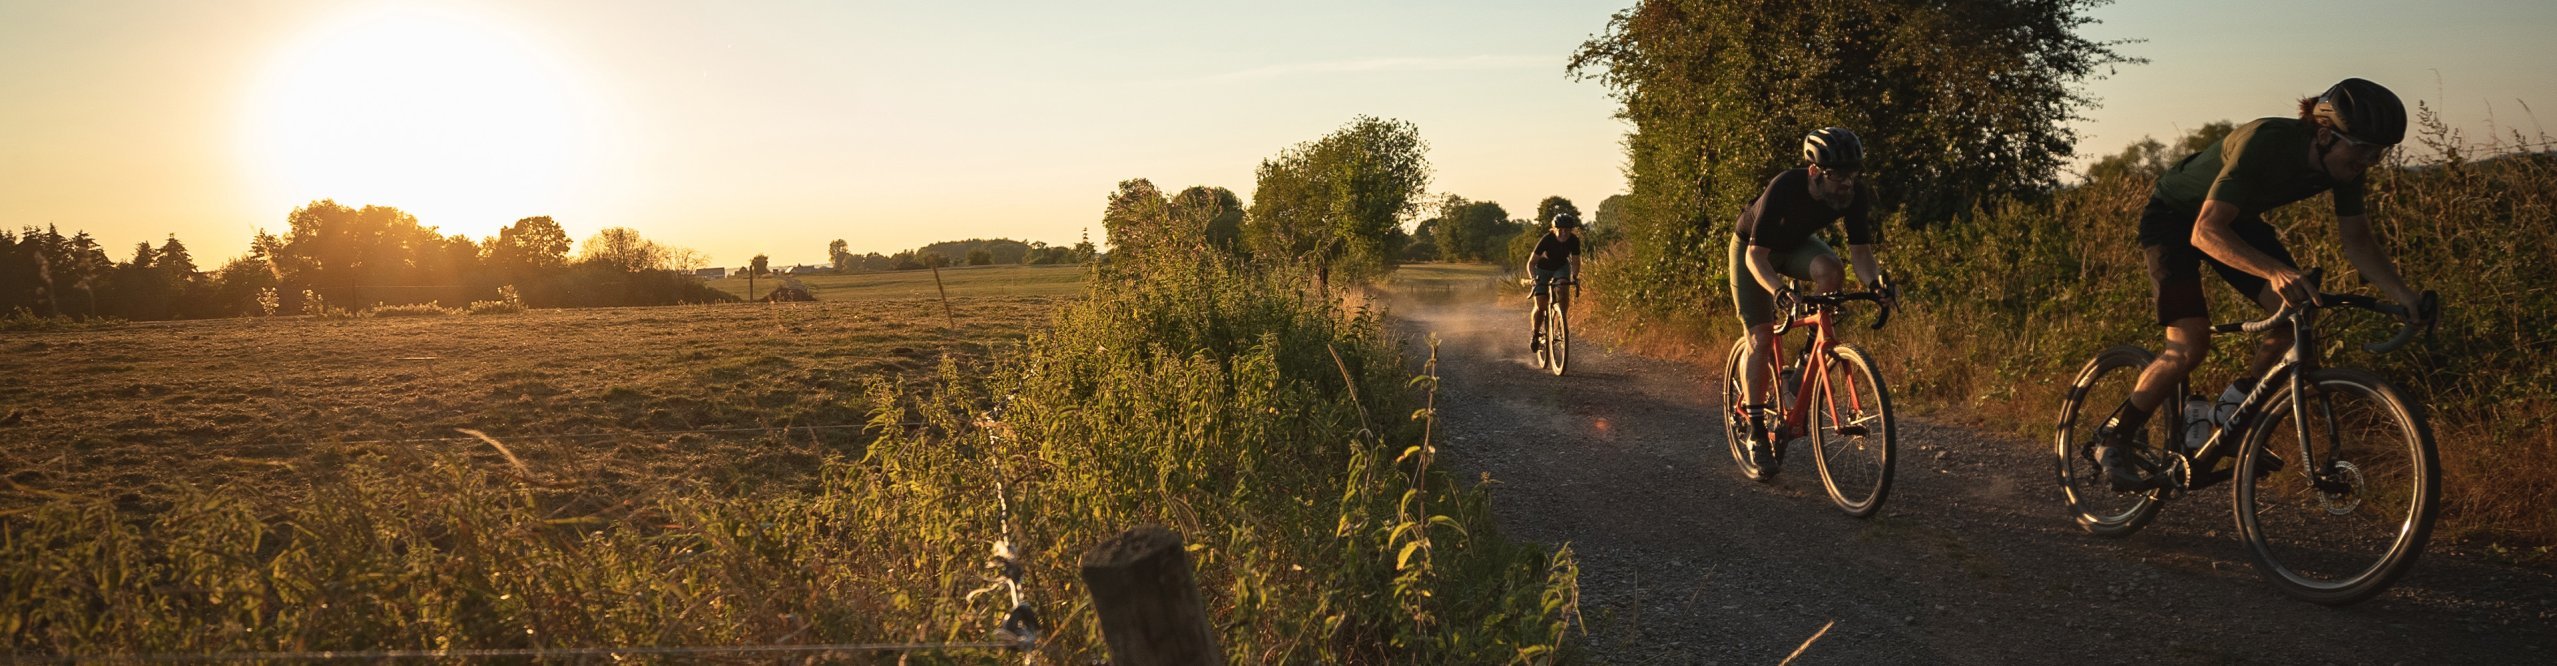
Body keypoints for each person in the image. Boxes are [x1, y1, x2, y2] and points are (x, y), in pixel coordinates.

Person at [2091, 78, 2432, 491]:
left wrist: (2403, 295)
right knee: (2190, 344)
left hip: (2236, 220)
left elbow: (2357, 240)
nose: (2370, 161)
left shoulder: (2344, 166)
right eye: (2362, 148)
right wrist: (2273, 270)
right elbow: (2204, 232)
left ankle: (2226, 420)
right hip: (2176, 218)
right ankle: (2114, 436)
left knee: (2293, 321)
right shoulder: (2265, 141)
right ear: (2325, 135)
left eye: (2380, 152)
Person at [1730, 127, 1892, 468]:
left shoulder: (1853, 194)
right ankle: (1756, 430)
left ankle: (1805, 363)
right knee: (1760, 336)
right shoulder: (1785, 186)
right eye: (1837, 176)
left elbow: (1860, 255)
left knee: (1832, 270)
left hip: (1795, 246)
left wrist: (1877, 284)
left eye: (1852, 175)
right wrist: (1779, 292)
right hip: (1753, 250)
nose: (1846, 184)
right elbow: (1756, 257)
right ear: (1815, 171)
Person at [1526, 212, 1584, 353]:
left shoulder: (1574, 240)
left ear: (1571, 230)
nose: (1564, 232)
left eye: (1567, 230)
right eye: (1561, 229)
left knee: (1563, 286)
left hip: (1560, 267)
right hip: (1542, 269)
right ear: (1554, 229)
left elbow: (1576, 262)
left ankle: (1562, 321)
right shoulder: (1547, 240)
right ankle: (1535, 333)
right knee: (1541, 304)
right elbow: (1531, 263)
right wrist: (1534, 278)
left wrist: (1574, 276)